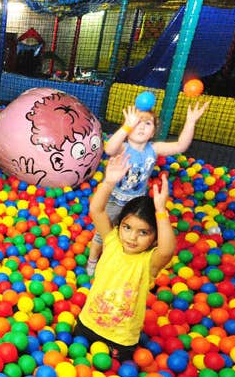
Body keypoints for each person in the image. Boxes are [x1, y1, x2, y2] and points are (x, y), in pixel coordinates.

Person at [86, 100, 208, 275]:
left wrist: (190, 122)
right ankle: (92, 261)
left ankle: (121, 262)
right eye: (136, 123)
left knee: (131, 234)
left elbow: (181, 145)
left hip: (136, 203)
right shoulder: (123, 146)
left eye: (147, 123)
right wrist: (126, 127)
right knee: (103, 231)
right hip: (114, 198)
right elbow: (109, 148)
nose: (141, 127)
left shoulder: (154, 148)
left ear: (153, 132)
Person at [74, 153, 176, 363]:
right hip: (88, 324)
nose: (132, 237)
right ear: (119, 225)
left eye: (143, 232)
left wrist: (161, 212)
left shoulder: (148, 262)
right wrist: (109, 182)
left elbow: (167, 251)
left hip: (120, 339)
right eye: (127, 228)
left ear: (155, 238)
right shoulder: (111, 241)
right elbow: (96, 209)